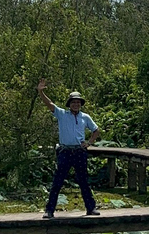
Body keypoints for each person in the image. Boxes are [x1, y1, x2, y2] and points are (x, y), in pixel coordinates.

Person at [37, 79, 101, 219]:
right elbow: (49, 104)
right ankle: (49, 210)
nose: (76, 104)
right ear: (69, 104)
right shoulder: (62, 114)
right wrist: (41, 91)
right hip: (65, 151)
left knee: (84, 181)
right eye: (73, 102)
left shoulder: (85, 117)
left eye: (78, 102)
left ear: (81, 104)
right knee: (58, 181)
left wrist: (89, 142)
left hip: (79, 151)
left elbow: (96, 130)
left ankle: (91, 208)